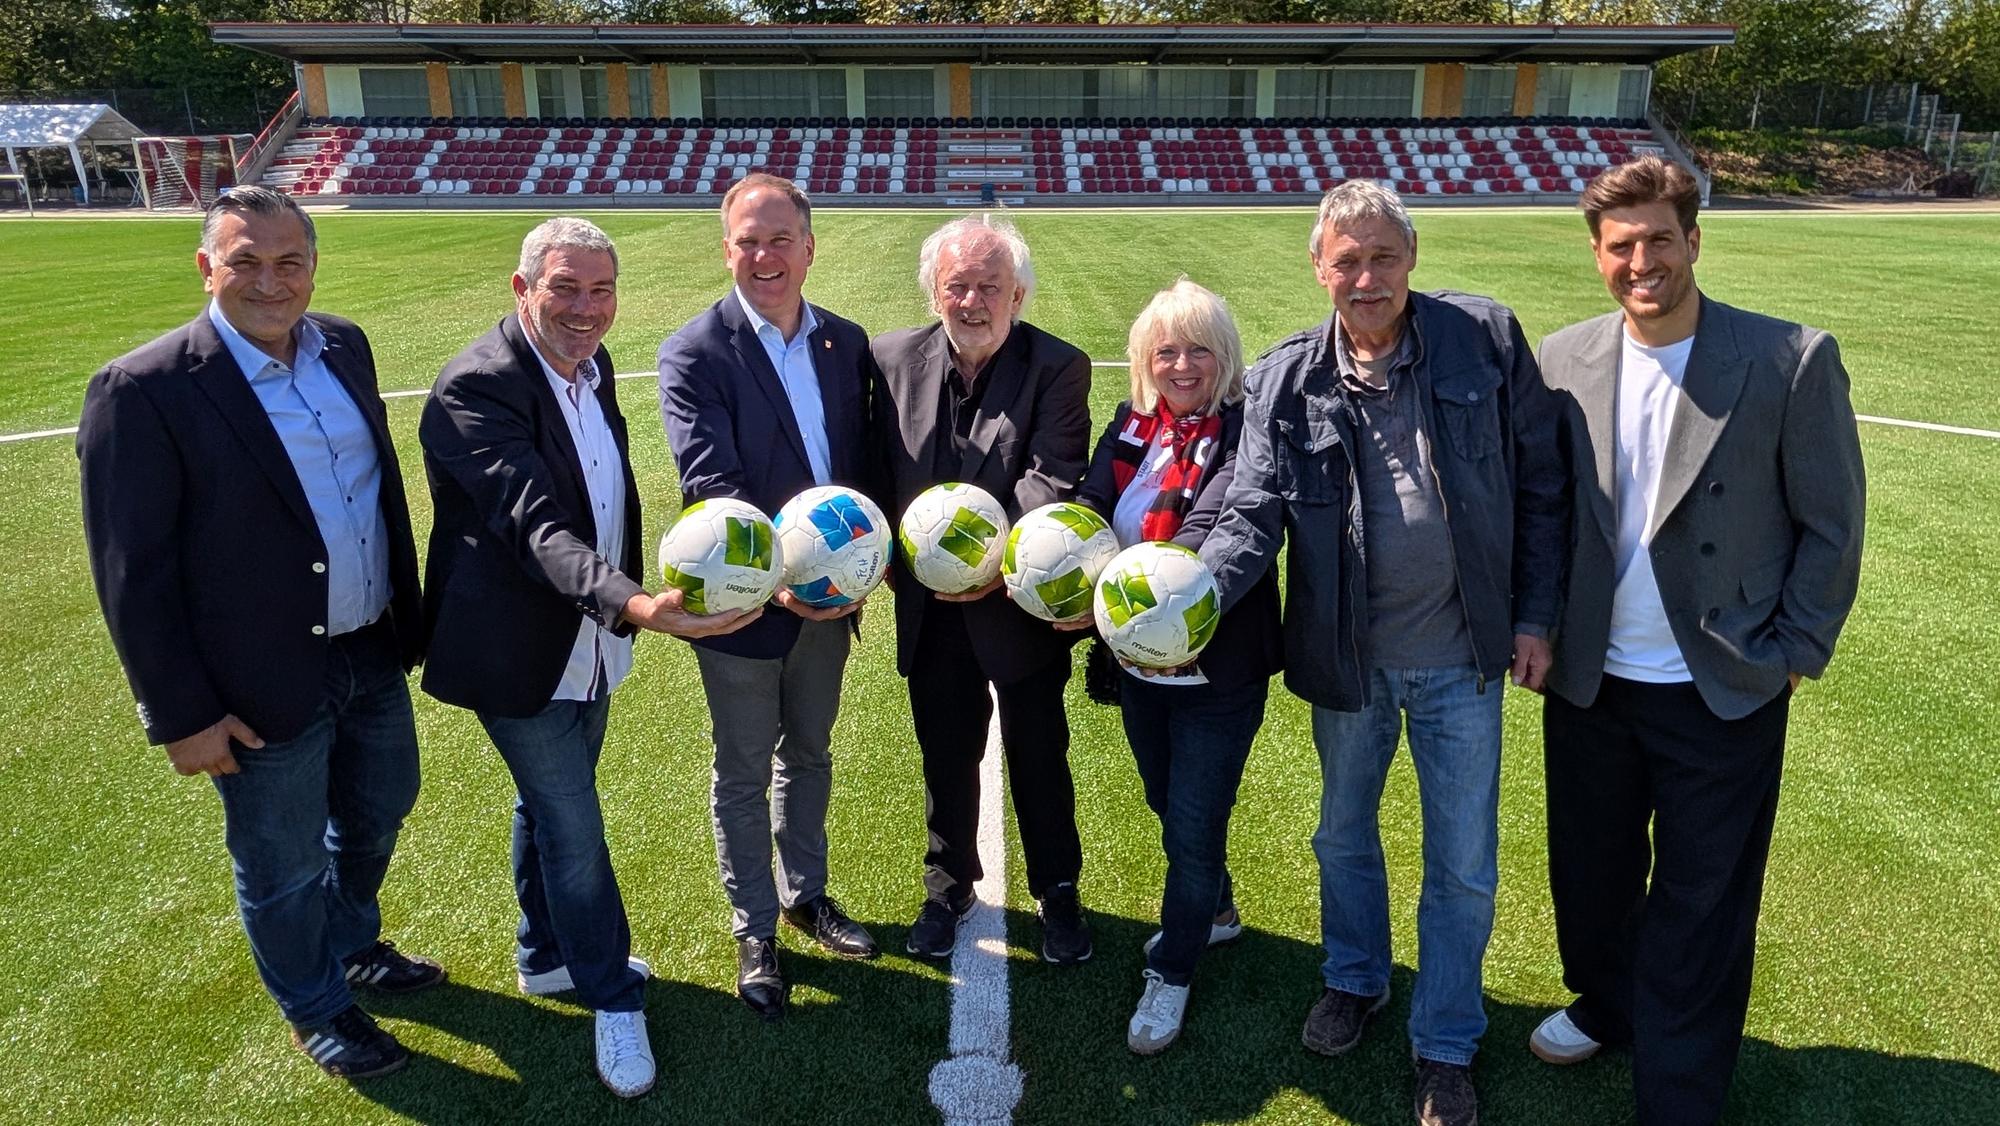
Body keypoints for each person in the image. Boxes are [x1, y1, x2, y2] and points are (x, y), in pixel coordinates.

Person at [1198, 180, 1567, 1126]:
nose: (1367, 278)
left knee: (1463, 863)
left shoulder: (1482, 339)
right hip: (1348, 662)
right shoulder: (1286, 378)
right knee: (1343, 837)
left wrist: (1535, 617)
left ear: (1412, 259)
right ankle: (1354, 980)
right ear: (1320, 267)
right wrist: (1190, 595)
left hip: (1464, 659)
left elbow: (1540, 487)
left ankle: (1445, 1044)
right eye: (1347, 261)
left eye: (1384, 258)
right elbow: (1250, 510)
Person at [77, 186, 443, 1080]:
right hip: (257, 677)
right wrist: (181, 714)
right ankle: (315, 1006)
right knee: (277, 861)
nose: (270, 282)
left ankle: (351, 945)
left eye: (290, 262)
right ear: (208, 267)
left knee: (380, 806)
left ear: (314, 266)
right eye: (246, 260)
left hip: (369, 643)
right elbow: (134, 572)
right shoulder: (145, 388)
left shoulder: (344, 347)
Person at [1530, 156, 1866, 1126]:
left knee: (1699, 902)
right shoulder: (1562, 359)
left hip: (1719, 684)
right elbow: (1545, 513)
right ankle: (1608, 998)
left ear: (1692, 241)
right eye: (1620, 244)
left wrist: (1796, 647)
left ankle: (1675, 1095)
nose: (1641, 261)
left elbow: (1832, 523)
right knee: (1588, 884)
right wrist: (1537, 627)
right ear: (1596, 252)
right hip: (1591, 683)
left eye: (1658, 240)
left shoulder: (1785, 359)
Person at [420, 217, 758, 1098]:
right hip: (521, 652)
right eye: (565, 288)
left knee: (548, 806)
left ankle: (544, 957)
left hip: (590, 646)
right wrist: (638, 605)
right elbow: (534, 524)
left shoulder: (590, 365)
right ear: (521, 287)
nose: (586, 308)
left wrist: (619, 611)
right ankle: (612, 1002)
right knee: (574, 828)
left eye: (601, 289)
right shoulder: (477, 387)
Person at [658, 173, 882, 1022]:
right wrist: (787, 574)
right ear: (727, 250)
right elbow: (710, 484)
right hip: (748, 603)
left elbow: (861, 463)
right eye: (748, 241)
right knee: (745, 769)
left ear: (809, 247)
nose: (764, 256)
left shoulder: (845, 342)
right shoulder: (695, 352)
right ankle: (756, 928)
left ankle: (807, 893)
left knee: (812, 754)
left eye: (780, 238)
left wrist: (856, 565)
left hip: (830, 603)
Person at [870, 212, 1094, 964]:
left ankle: (1057, 891)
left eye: (988, 287)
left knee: (1039, 752)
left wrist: (983, 563)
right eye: (957, 285)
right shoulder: (891, 358)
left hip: (1016, 605)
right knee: (944, 751)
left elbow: (1053, 476)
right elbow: (872, 471)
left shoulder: (1059, 366)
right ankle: (949, 885)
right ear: (935, 290)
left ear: (1018, 295)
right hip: (929, 612)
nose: (972, 301)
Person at [1072, 280, 1282, 1054]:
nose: (1183, 364)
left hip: (1217, 667)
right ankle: (1218, 911)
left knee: (1194, 824)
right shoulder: (1130, 426)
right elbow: (1094, 502)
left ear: (1224, 357)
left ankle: (1173, 969)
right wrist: (1066, 556)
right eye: (1167, 350)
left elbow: (1206, 529)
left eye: (1200, 349)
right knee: (1166, 797)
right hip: (1138, 664)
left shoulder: (1244, 432)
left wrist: (1132, 592)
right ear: (1144, 359)